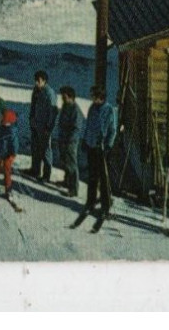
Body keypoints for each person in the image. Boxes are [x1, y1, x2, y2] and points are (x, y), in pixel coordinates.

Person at [73, 84, 118, 230]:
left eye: (94, 96)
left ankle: (105, 207)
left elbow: (112, 130)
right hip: (91, 147)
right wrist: (85, 141)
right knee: (92, 178)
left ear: (100, 97)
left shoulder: (109, 110)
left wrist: (109, 146)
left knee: (103, 179)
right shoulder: (92, 108)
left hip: (102, 148)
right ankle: (90, 202)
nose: (91, 98)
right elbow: (88, 125)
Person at [28, 71, 56, 181]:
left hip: (44, 126)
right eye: (35, 80)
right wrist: (31, 118)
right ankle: (35, 170)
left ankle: (46, 175)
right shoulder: (36, 91)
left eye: (38, 81)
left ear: (44, 81)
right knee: (35, 148)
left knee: (45, 150)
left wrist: (49, 127)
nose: (36, 83)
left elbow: (53, 112)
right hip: (35, 123)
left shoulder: (49, 93)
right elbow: (33, 106)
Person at [55, 86, 82, 197]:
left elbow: (76, 128)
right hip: (63, 139)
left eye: (64, 97)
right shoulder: (66, 106)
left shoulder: (75, 110)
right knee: (65, 162)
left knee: (71, 165)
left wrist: (69, 141)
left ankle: (73, 189)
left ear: (71, 97)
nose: (62, 99)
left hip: (70, 142)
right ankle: (66, 181)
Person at [0, 107, 19, 200]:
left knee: (6, 171)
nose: (1, 120)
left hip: (7, 155)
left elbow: (15, 145)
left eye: (3, 119)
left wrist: (13, 154)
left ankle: (8, 189)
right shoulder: (2, 127)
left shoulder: (11, 132)